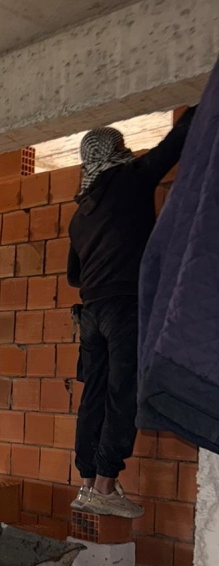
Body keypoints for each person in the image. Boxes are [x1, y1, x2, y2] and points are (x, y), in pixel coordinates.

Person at [67, 108, 196, 518]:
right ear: (117, 149)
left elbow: (74, 275)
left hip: (90, 313)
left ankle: (87, 485)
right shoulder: (132, 179)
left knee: (94, 395)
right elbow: (172, 145)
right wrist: (202, 105)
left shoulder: (80, 213)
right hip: (124, 308)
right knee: (122, 393)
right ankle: (107, 485)